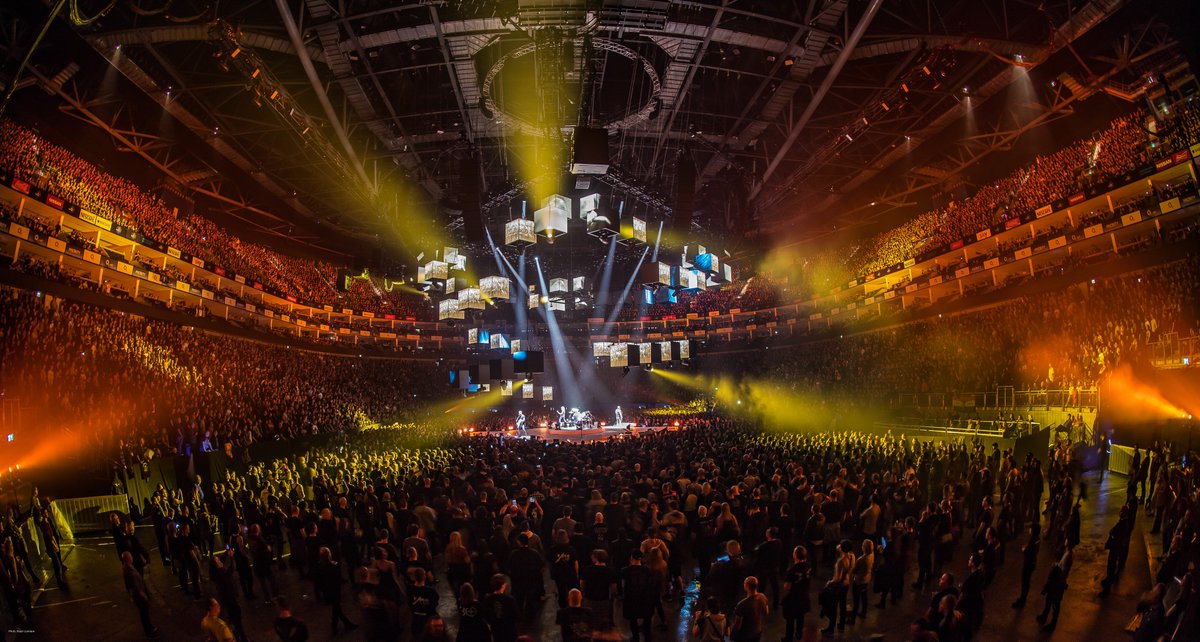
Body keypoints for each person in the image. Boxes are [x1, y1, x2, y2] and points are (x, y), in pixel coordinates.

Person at [315, 546, 357, 635]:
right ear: (329, 555)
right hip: (335, 590)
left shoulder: (319, 566)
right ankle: (339, 626)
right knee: (336, 608)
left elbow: (318, 580)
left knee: (336, 609)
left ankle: (343, 624)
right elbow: (338, 579)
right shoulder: (334, 566)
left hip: (327, 591)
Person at [619, 550, 658, 642]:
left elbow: (622, 584)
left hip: (631, 598)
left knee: (633, 619)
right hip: (645, 598)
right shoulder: (648, 570)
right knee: (647, 617)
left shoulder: (625, 571)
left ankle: (635, 637)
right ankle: (647, 636)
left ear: (631, 558)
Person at [122, 551, 158, 638]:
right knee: (144, 613)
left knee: (143, 613)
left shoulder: (126, 568)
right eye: (130, 556)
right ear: (128, 559)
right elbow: (136, 587)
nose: (132, 557)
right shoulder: (130, 571)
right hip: (139, 597)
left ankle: (148, 628)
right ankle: (149, 630)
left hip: (136, 596)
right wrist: (144, 596)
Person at [781, 545, 811, 642]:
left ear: (795, 555)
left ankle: (789, 638)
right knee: (800, 616)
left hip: (794, 597)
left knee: (790, 619)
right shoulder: (808, 566)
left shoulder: (792, 570)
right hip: (804, 595)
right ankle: (799, 634)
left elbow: (786, 587)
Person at [482, 574, 520, 642]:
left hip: (495, 630)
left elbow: (485, 615)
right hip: (509, 631)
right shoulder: (510, 599)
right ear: (504, 585)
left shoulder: (488, 599)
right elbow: (516, 616)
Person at [732, 576, 770, 642]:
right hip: (757, 632)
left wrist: (733, 635)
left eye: (744, 583)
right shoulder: (762, 597)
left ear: (746, 586)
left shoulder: (742, 604)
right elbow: (766, 612)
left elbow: (737, 625)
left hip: (745, 636)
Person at [1011, 522, 1040, 608]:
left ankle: (1022, 600)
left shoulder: (1032, 540)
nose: (1029, 529)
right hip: (1032, 563)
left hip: (1028, 564)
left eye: (1031, 528)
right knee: (1026, 582)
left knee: (1025, 582)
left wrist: (1024, 549)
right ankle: (1023, 598)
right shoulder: (1037, 539)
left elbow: (1027, 551)